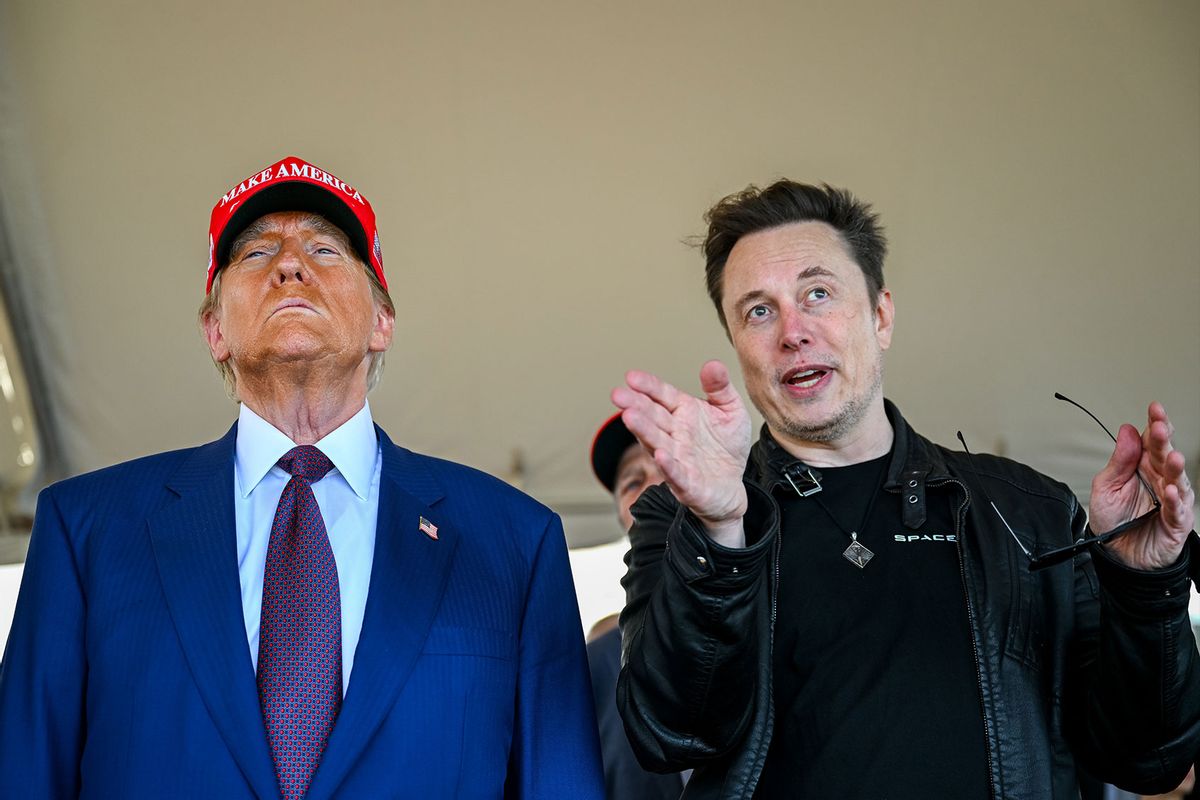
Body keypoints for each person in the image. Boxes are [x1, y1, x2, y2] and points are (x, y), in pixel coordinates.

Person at [0, 155, 603, 799]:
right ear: (215, 331)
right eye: (257, 253)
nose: (290, 264)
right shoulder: (86, 530)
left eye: (325, 248)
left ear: (381, 322)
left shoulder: (513, 540)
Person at [612, 180, 1200, 799]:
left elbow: (1146, 759)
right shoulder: (681, 522)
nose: (792, 331)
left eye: (818, 293)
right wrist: (721, 533)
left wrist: (1144, 587)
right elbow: (669, 737)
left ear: (881, 315)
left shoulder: (1031, 512)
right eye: (759, 310)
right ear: (736, 344)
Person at [586, 412, 686, 799]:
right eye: (633, 481)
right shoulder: (594, 667)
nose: (654, 488)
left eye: (671, 468)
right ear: (620, 515)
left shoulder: (780, 616)